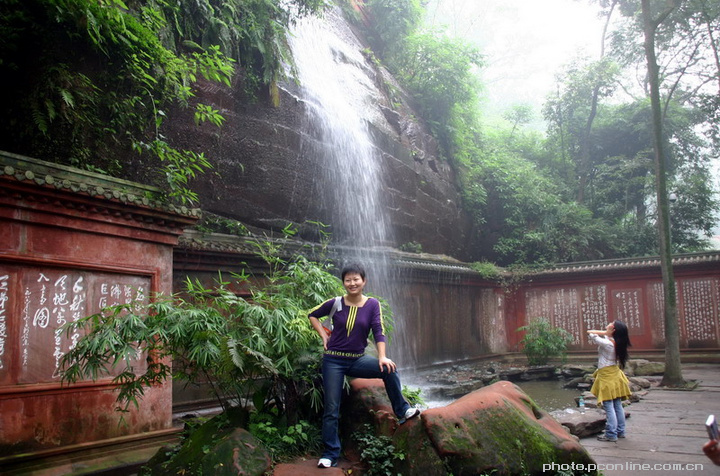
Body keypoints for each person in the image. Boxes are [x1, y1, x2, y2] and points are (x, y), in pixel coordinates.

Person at [308, 263, 420, 468]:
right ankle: (330, 453)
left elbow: (379, 330)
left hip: (357, 359)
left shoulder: (372, 304)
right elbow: (313, 314)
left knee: (389, 370)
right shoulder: (335, 302)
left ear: (363, 281)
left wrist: (382, 357)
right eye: (348, 280)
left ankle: (402, 410)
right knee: (332, 407)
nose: (352, 283)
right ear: (343, 283)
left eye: (356, 279)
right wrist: (323, 334)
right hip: (333, 360)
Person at [586, 321, 632, 442]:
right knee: (617, 404)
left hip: (606, 376)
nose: (608, 323)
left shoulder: (607, 343)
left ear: (613, 329)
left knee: (609, 406)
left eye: (611, 323)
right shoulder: (616, 342)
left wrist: (605, 332)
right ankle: (620, 431)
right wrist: (607, 333)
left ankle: (611, 434)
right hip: (615, 374)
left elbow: (590, 333)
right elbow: (602, 335)